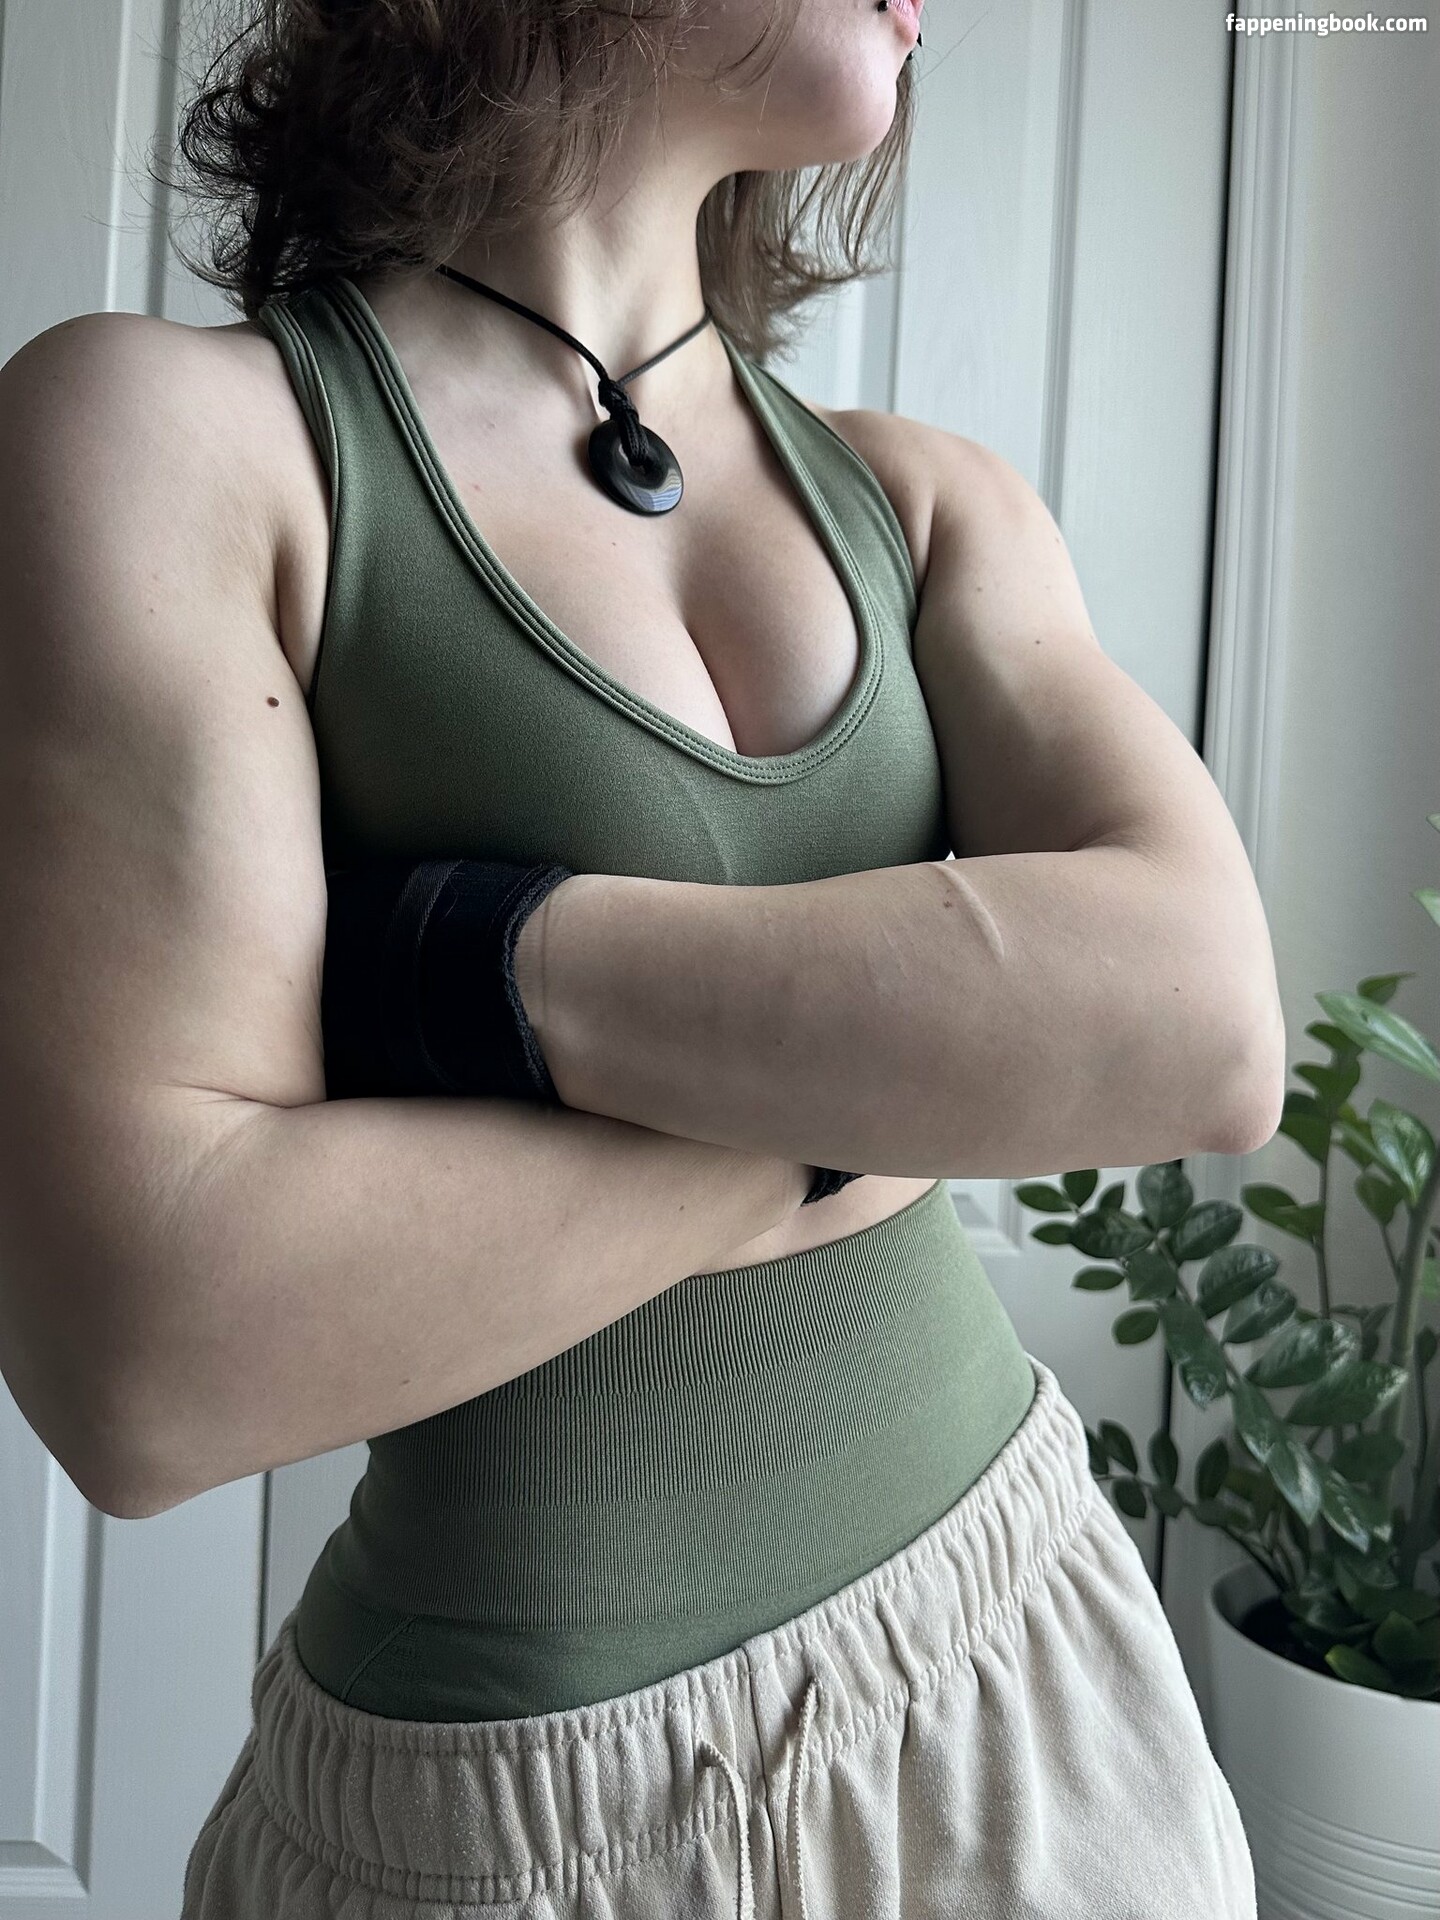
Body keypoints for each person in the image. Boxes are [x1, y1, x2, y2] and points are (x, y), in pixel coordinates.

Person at [0, 0, 1283, 1912]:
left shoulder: (922, 503)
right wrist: (903, 1078)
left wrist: (488, 968)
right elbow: (152, 1364)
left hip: (1029, 1686)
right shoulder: (177, 441)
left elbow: (1210, 1029)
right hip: (511, 1826)